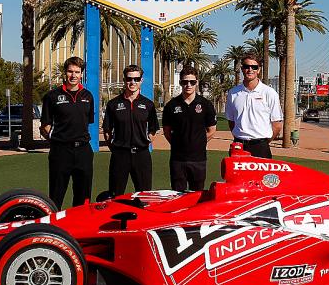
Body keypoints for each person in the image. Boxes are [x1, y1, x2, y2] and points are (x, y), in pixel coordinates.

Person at [39, 56, 94, 208]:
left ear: (82, 74)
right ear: (65, 72)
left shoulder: (88, 96)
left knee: (83, 195)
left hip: (83, 151)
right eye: (70, 71)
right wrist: (58, 140)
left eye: (77, 71)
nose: (73, 75)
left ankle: (79, 227)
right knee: (56, 194)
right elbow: (45, 126)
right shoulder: (52, 96)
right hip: (60, 152)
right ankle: (54, 227)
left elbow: (86, 123)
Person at [103, 64, 159, 196]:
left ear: (141, 81)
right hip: (120, 155)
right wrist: (116, 148)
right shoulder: (113, 104)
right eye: (129, 79)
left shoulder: (148, 104)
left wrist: (145, 141)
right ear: (124, 80)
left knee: (144, 196)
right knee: (115, 195)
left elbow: (153, 129)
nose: (132, 82)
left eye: (136, 79)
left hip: (142, 155)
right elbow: (107, 131)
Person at [162, 66, 217, 192]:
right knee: (177, 196)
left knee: (197, 195)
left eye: (192, 82)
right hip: (178, 160)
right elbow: (167, 131)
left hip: (198, 160)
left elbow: (211, 130)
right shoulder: (171, 105)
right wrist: (178, 143)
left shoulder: (206, 105)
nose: (188, 85)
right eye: (185, 82)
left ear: (196, 83)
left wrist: (198, 142)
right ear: (180, 82)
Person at [225, 53, 283, 158]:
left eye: (254, 67)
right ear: (242, 69)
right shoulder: (233, 93)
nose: (250, 69)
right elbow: (231, 121)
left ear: (259, 70)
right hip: (238, 145)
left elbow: (277, 125)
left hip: (261, 147)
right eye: (247, 66)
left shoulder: (269, 93)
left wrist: (263, 141)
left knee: (263, 175)